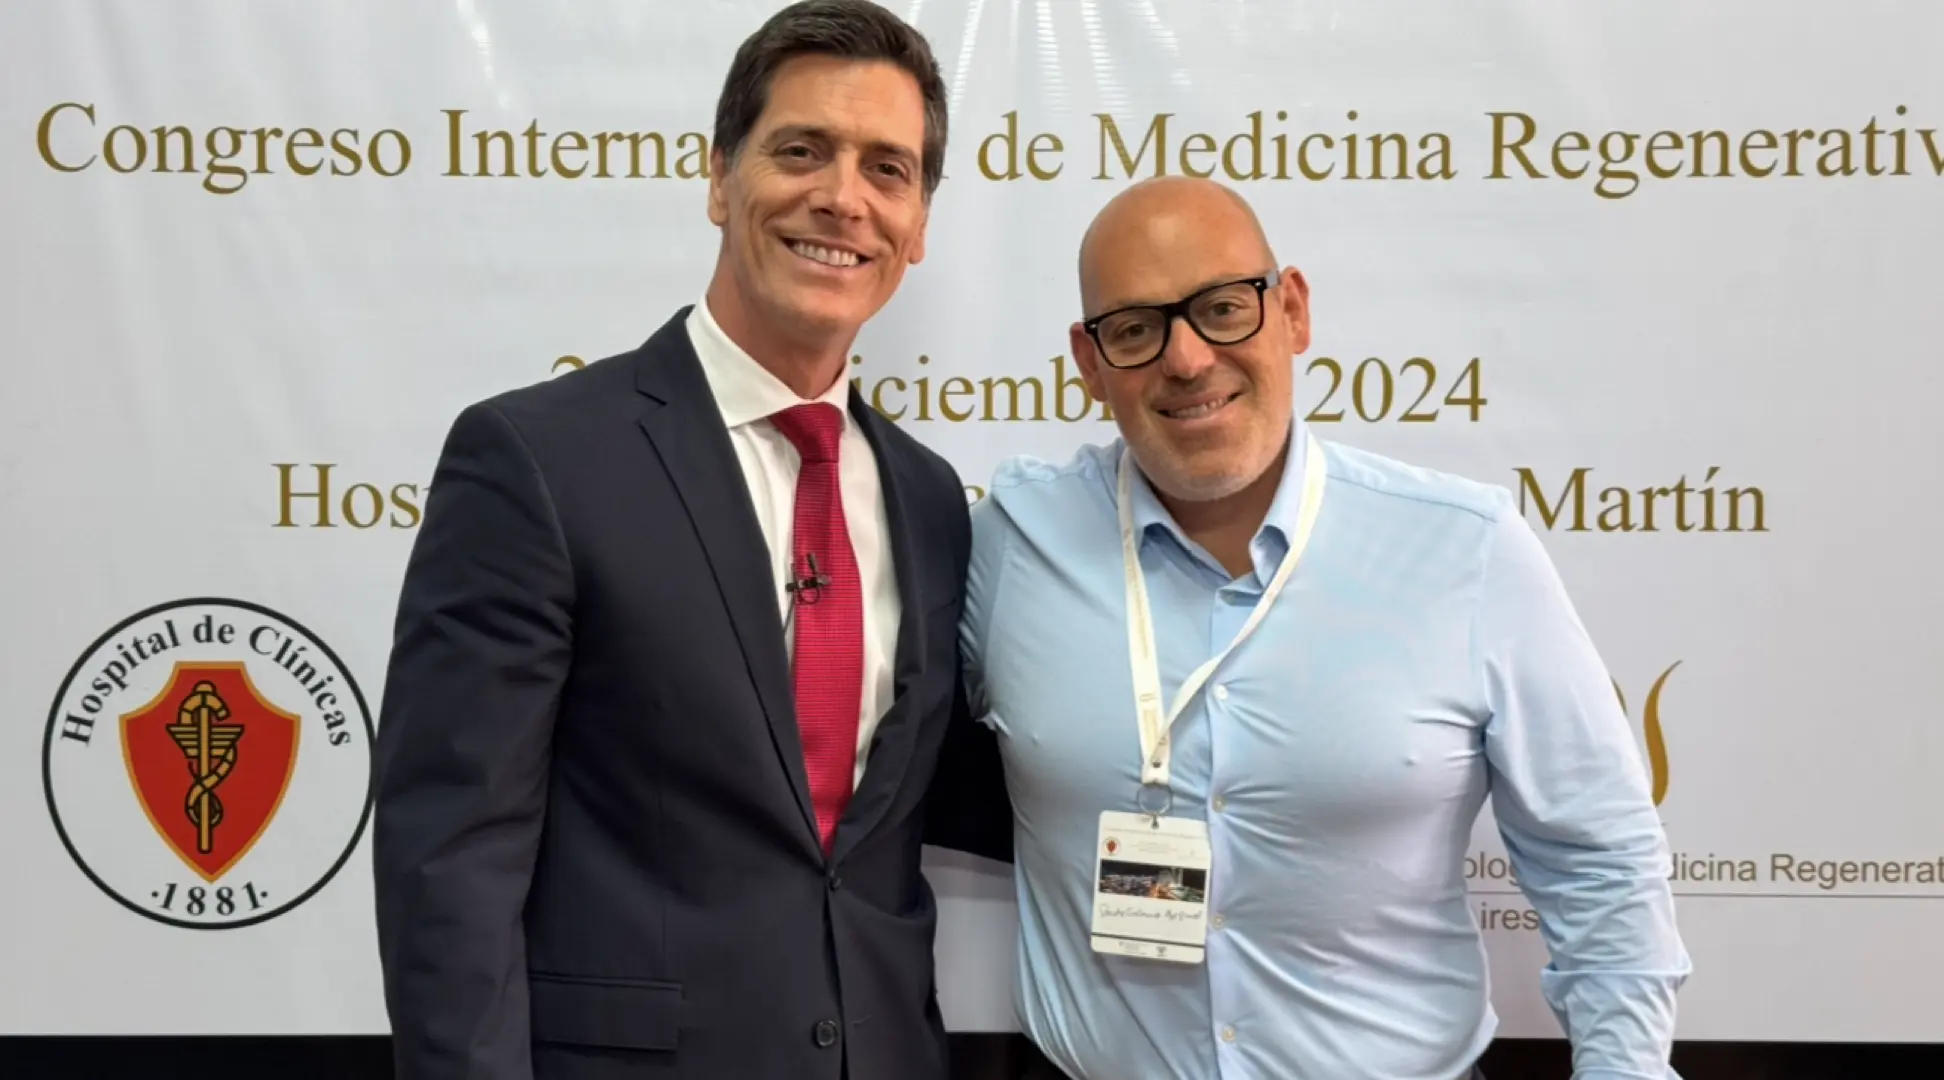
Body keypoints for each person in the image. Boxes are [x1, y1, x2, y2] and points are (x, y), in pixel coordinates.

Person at [370, 3, 1008, 1078]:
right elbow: (451, 861)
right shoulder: (539, 462)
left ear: (918, 226)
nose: (842, 197)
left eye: (887, 169)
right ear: (719, 179)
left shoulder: (930, 498)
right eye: (800, 150)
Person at [958, 175, 1691, 1080]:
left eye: (1223, 308)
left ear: (1293, 311)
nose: (1187, 359)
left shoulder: (1465, 549)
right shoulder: (1012, 546)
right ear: (1089, 360)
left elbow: (1599, 859)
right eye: (1137, 329)